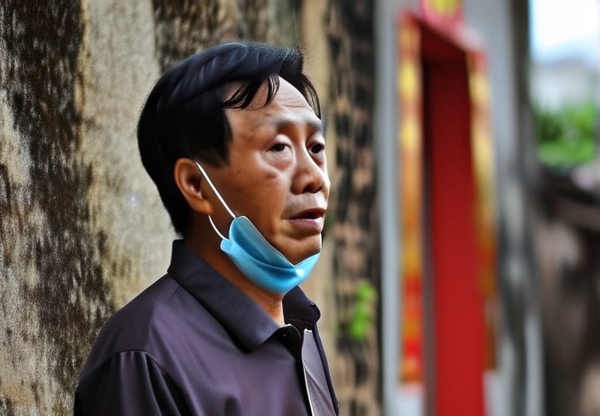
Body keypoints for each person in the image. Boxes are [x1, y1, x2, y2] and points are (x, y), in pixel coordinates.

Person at [74, 41, 339, 416]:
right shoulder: (145, 354)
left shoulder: (298, 322)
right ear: (196, 185)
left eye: (315, 147)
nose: (315, 178)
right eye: (279, 147)